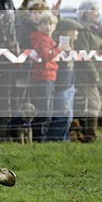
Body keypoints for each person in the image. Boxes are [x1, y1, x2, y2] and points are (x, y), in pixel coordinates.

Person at [74, 0, 102, 142]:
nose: (98, 13)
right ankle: (89, 136)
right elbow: (84, 55)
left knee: (91, 104)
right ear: (86, 13)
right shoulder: (84, 31)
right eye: (94, 10)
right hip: (86, 75)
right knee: (94, 104)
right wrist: (93, 74)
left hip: (97, 73)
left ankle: (86, 135)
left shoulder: (97, 30)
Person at [29, 11, 69, 142]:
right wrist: (59, 49)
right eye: (44, 23)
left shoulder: (49, 39)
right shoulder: (41, 39)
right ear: (38, 26)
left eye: (51, 23)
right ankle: (39, 138)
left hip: (50, 77)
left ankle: (42, 137)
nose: (48, 26)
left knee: (47, 110)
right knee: (44, 110)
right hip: (43, 78)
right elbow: (46, 56)